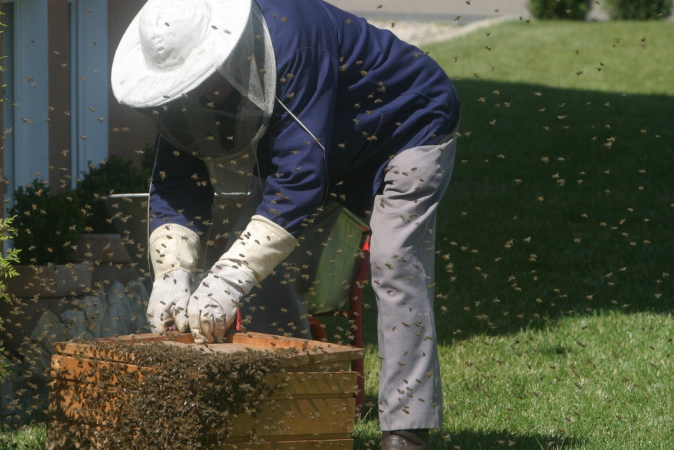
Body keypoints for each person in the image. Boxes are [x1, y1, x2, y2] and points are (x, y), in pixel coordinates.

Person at [110, 0, 459, 448]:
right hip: (320, 145)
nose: (198, 96)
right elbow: (177, 183)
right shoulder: (187, 91)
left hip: (407, 125)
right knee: (265, 281)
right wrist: (172, 271)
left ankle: (406, 431)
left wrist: (228, 278)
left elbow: (298, 180)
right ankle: (296, 410)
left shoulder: (292, 40)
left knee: (395, 264)